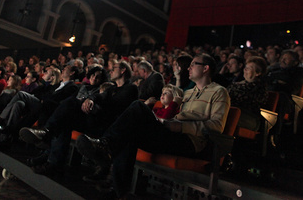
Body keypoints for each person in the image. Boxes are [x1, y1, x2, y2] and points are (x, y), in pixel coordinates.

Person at [75, 53, 230, 198]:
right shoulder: (188, 93)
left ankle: (106, 147)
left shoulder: (219, 92)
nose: (188, 68)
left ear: (205, 68)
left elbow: (216, 126)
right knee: (131, 130)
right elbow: (176, 117)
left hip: (190, 142)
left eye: (193, 64)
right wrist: (168, 122)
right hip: (172, 134)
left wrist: (180, 127)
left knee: (138, 106)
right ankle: (120, 191)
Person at [19, 61, 138, 176]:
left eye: (114, 68)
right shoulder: (111, 89)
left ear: (123, 70)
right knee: (66, 118)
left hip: (106, 127)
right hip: (95, 120)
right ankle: (53, 163)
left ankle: (47, 133)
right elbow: (98, 96)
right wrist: (90, 99)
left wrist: (95, 102)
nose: (111, 71)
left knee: (71, 105)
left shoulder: (130, 88)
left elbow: (114, 104)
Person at [227, 56, 268, 131]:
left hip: (249, 118)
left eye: (249, 68)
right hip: (233, 111)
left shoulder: (260, 88)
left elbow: (248, 103)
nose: (245, 70)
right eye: (246, 67)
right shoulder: (237, 84)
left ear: (258, 73)